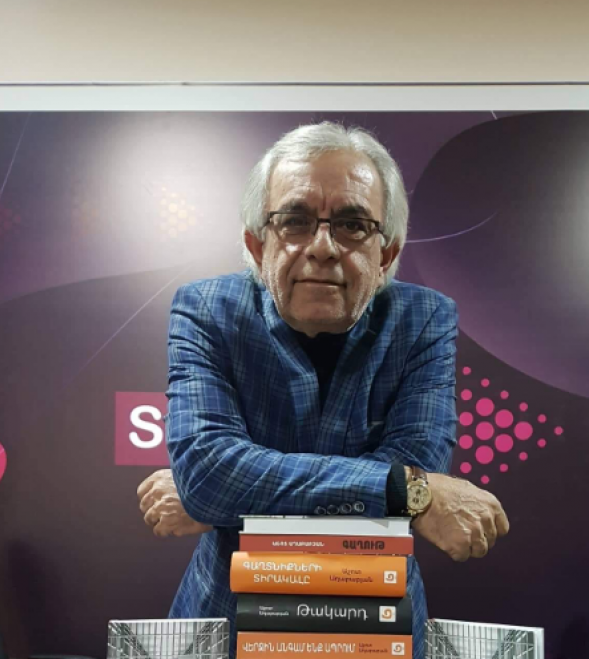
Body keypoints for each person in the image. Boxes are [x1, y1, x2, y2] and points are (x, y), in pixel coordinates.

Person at [137, 122, 509, 659]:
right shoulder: (206, 310)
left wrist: (233, 502)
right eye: (294, 220)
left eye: (354, 224)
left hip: (377, 624)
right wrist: (407, 490)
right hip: (229, 620)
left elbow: (418, 459)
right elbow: (210, 472)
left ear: (386, 254)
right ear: (256, 245)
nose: (323, 248)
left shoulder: (425, 320)